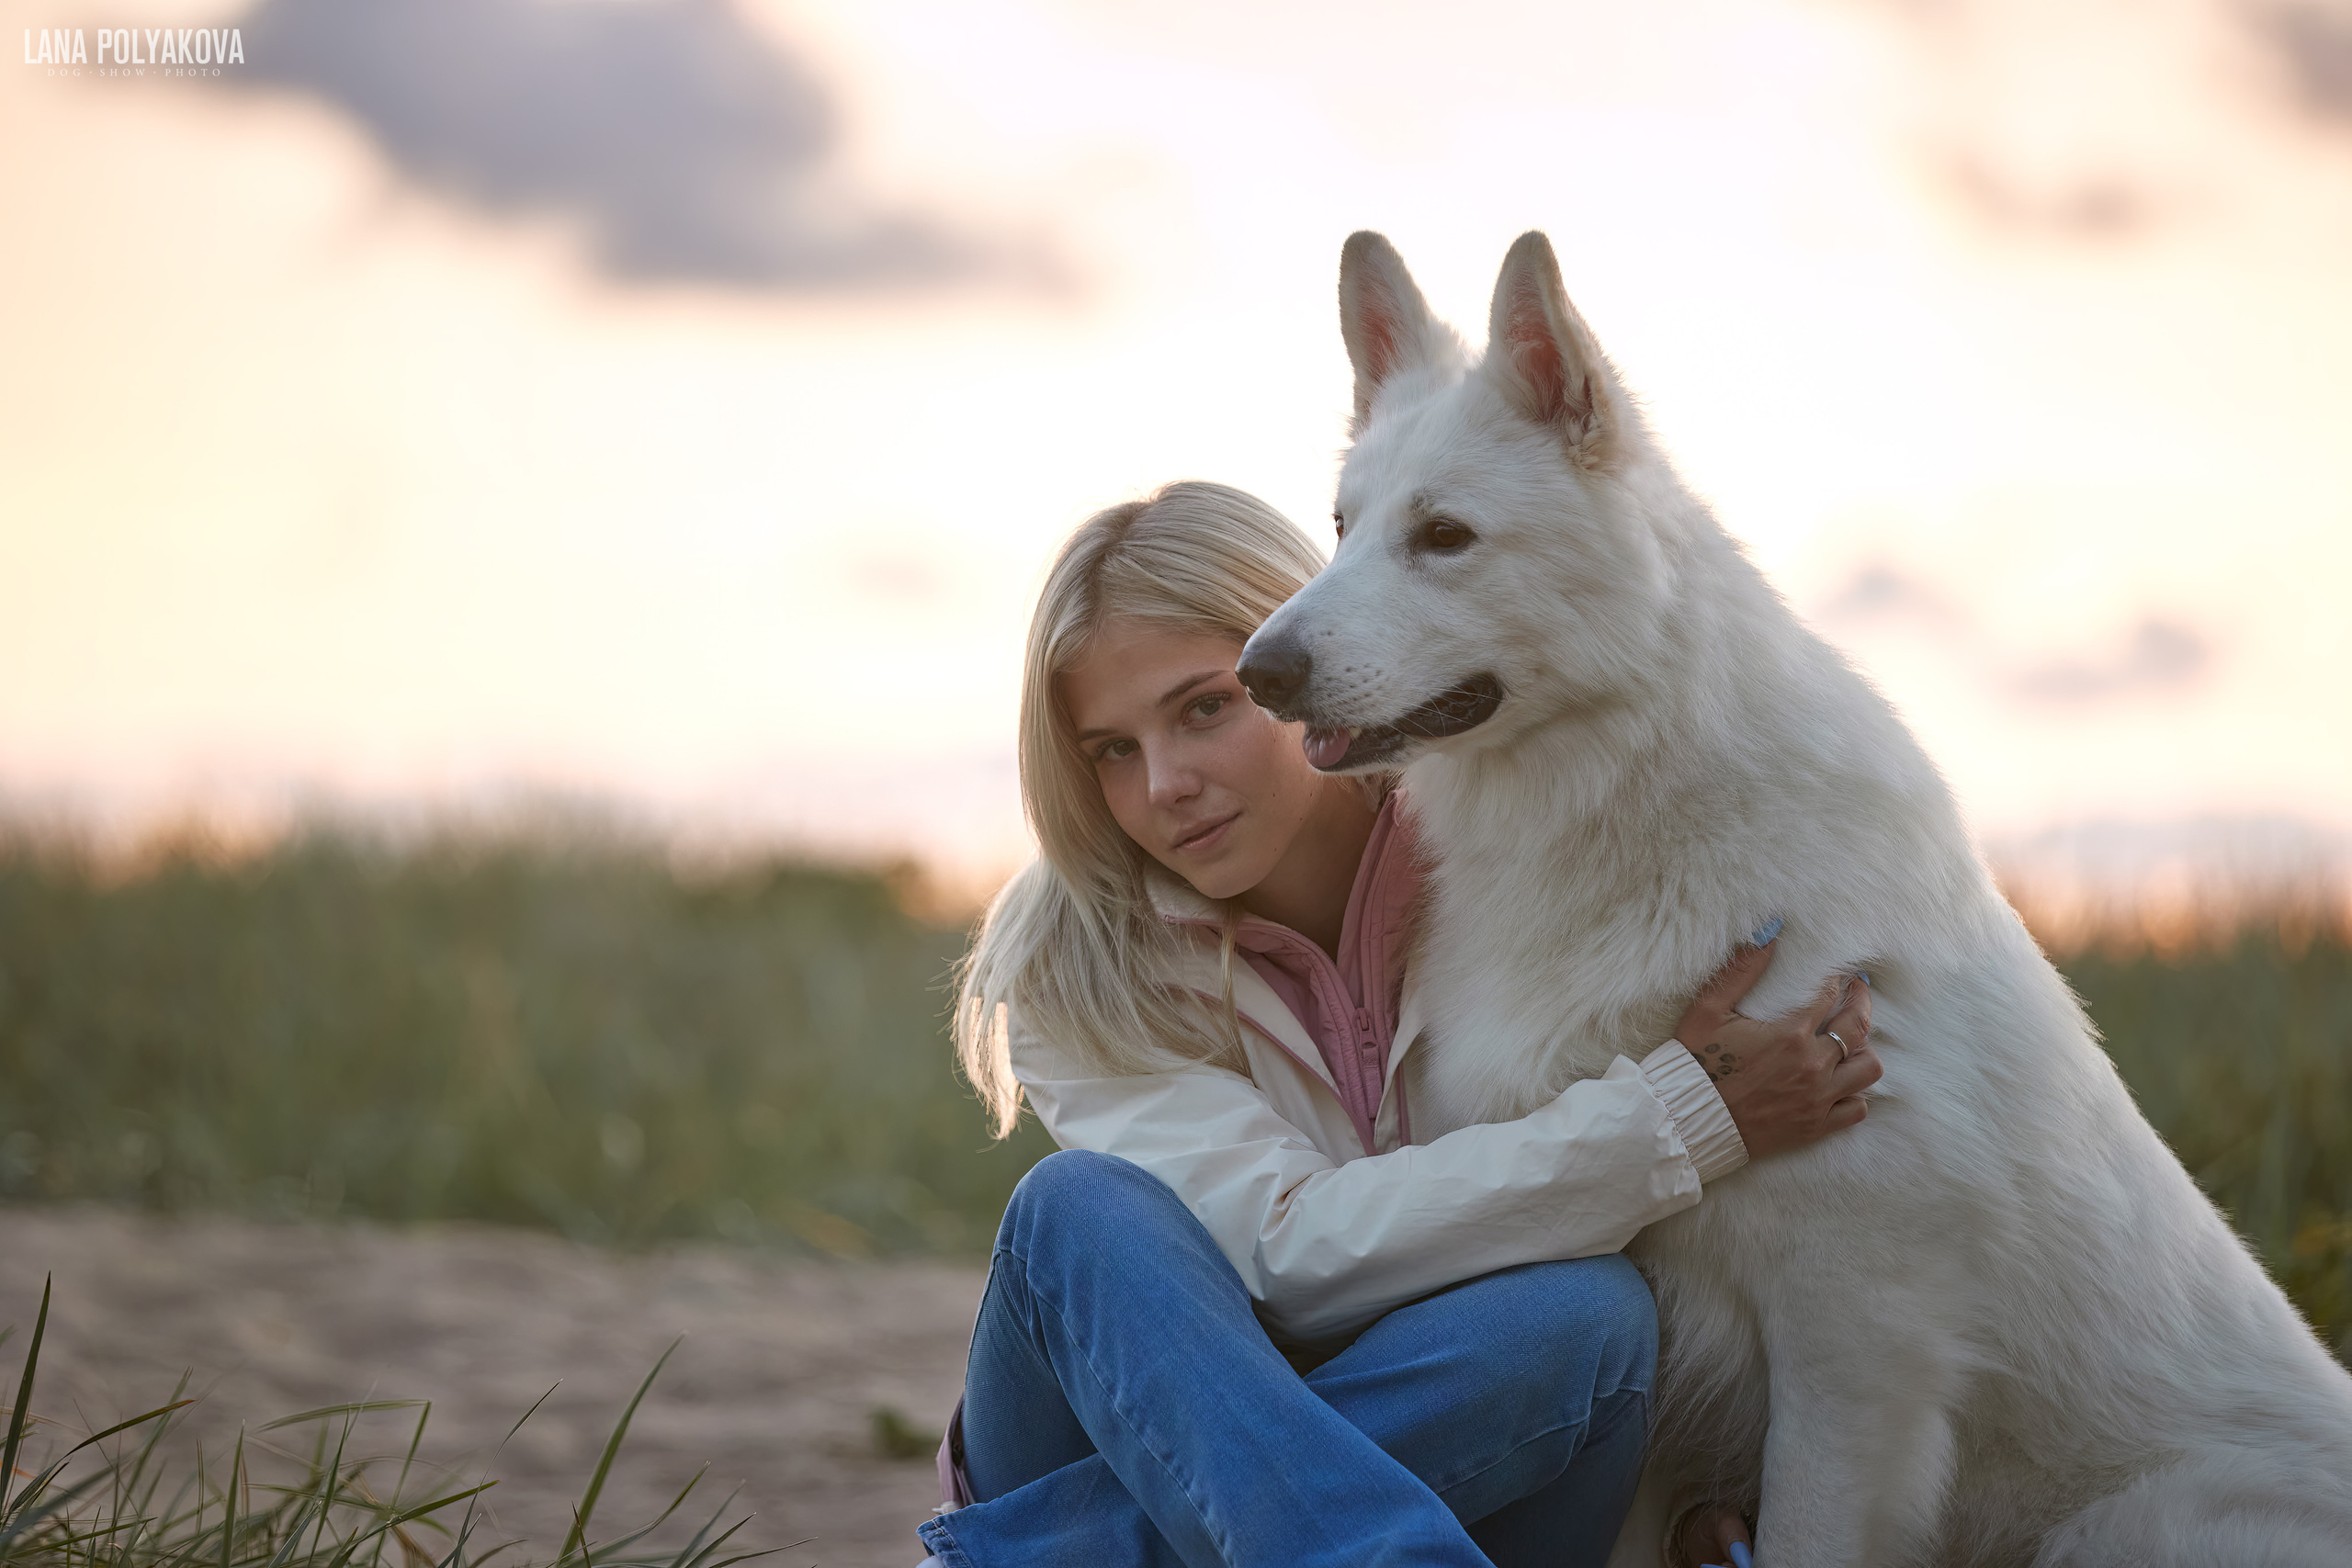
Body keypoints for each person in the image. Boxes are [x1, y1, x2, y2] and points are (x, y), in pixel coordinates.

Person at [920, 482, 1881, 1568]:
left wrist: (1701, 1500)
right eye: (1109, 751)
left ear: (1306, 653)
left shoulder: (1520, 860)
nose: (1167, 786)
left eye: (1205, 707)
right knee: (1075, 1214)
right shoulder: (1069, 961)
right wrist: (1675, 1121)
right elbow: (1287, 1251)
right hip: (1135, 1435)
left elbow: (1652, 1257)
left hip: (1457, 1442)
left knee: (1584, 1320)